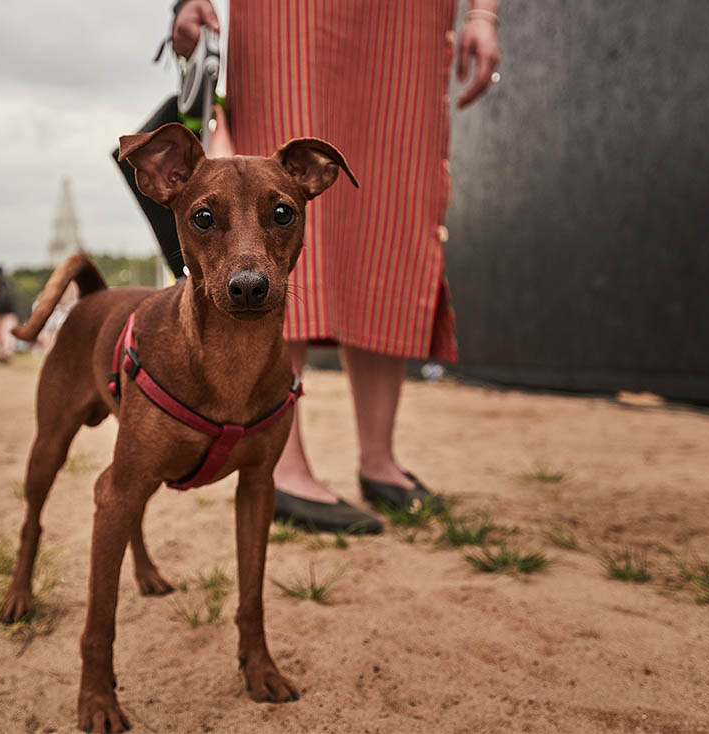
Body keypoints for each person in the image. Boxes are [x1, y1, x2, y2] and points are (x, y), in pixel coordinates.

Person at [171, 0, 501, 532]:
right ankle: (285, 464)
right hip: (286, 15)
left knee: (387, 209)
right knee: (267, 195)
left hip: (404, 19)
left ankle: (379, 460)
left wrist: (483, 12)